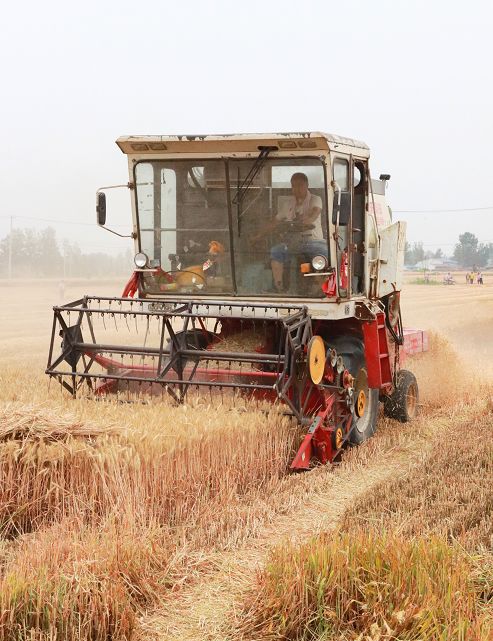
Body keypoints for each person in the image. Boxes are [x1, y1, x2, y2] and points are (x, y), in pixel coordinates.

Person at [254, 172, 326, 291]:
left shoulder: (315, 199)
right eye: (294, 186)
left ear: (307, 185)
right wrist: (258, 235)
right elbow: (274, 222)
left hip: (314, 241)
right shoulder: (288, 204)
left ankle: (319, 290)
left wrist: (305, 221)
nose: (296, 189)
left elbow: (314, 213)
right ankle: (279, 287)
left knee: (324, 255)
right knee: (275, 251)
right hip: (292, 244)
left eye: (300, 185)